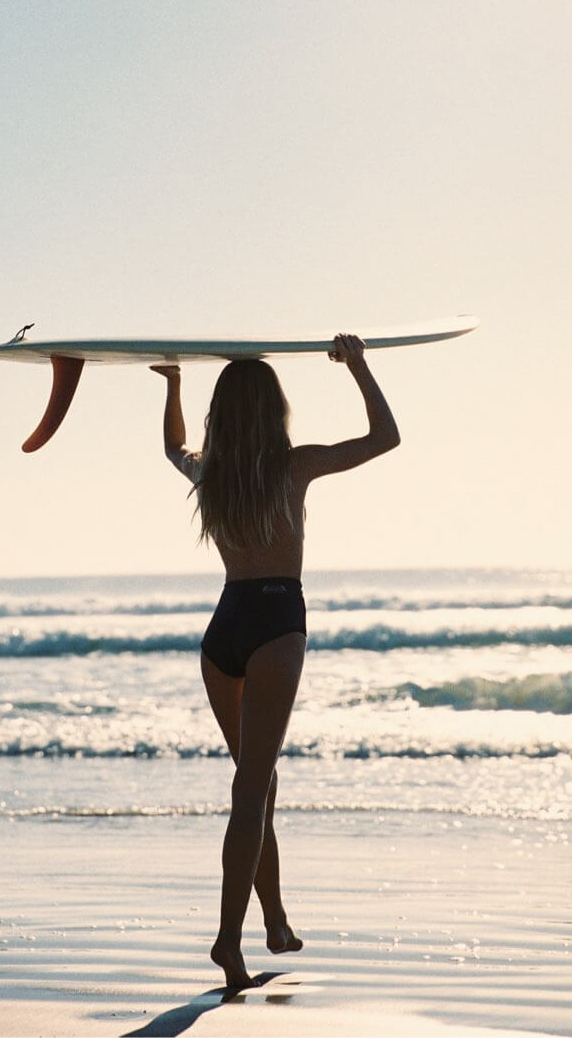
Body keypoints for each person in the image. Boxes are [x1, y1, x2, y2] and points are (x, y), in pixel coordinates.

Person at [151, 334, 400, 989]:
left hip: (224, 630)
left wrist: (173, 384)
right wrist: (358, 365)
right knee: (251, 788)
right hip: (274, 626)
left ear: (224, 413)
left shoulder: (213, 473)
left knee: (257, 784)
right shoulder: (294, 466)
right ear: (274, 409)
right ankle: (228, 942)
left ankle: (276, 923)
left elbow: (173, 447)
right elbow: (385, 437)